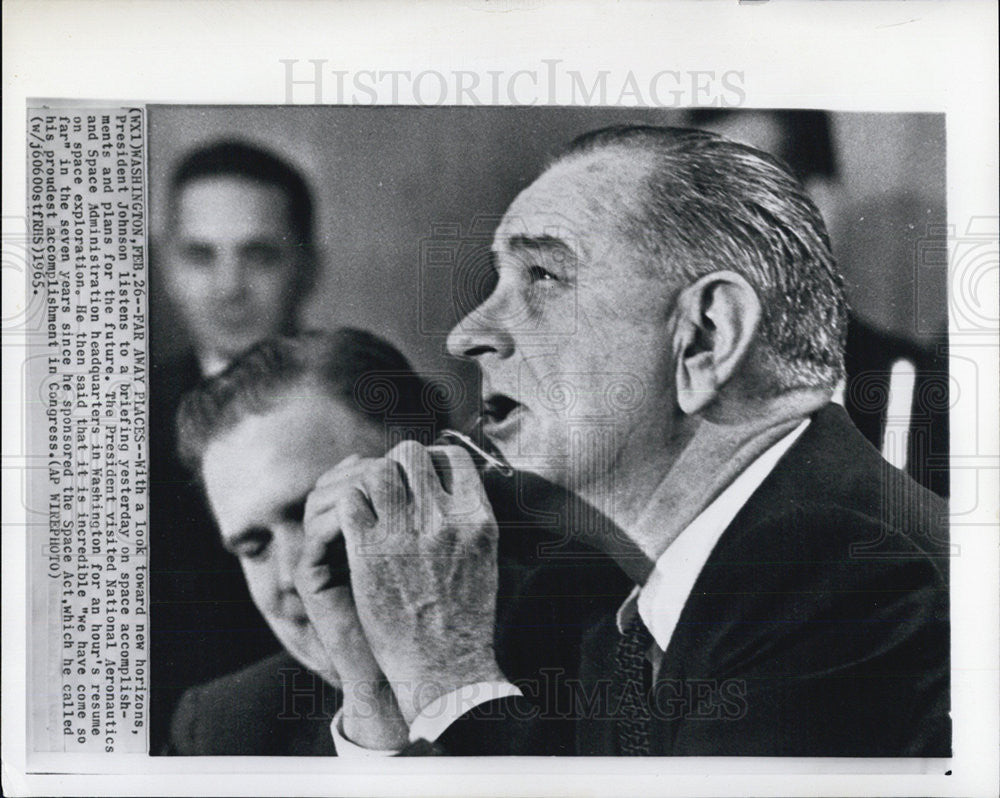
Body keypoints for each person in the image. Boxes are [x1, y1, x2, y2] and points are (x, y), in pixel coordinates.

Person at [309, 126, 950, 756]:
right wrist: (386, 694)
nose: (467, 335)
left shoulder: (852, 578)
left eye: (542, 276)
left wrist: (446, 676)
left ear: (705, 336)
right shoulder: (617, 599)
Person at [164, 329, 434, 755]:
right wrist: (374, 701)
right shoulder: (223, 731)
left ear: (433, 470)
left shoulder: (569, 661)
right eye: (255, 547)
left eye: (318, 511)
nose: (293, 575)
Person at [150, 140, 319, 748]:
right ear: (167, 268)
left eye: (259, 256)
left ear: (308, 266)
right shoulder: (120, 425)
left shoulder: (378, 400)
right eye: (201, 256)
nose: (229, 288)